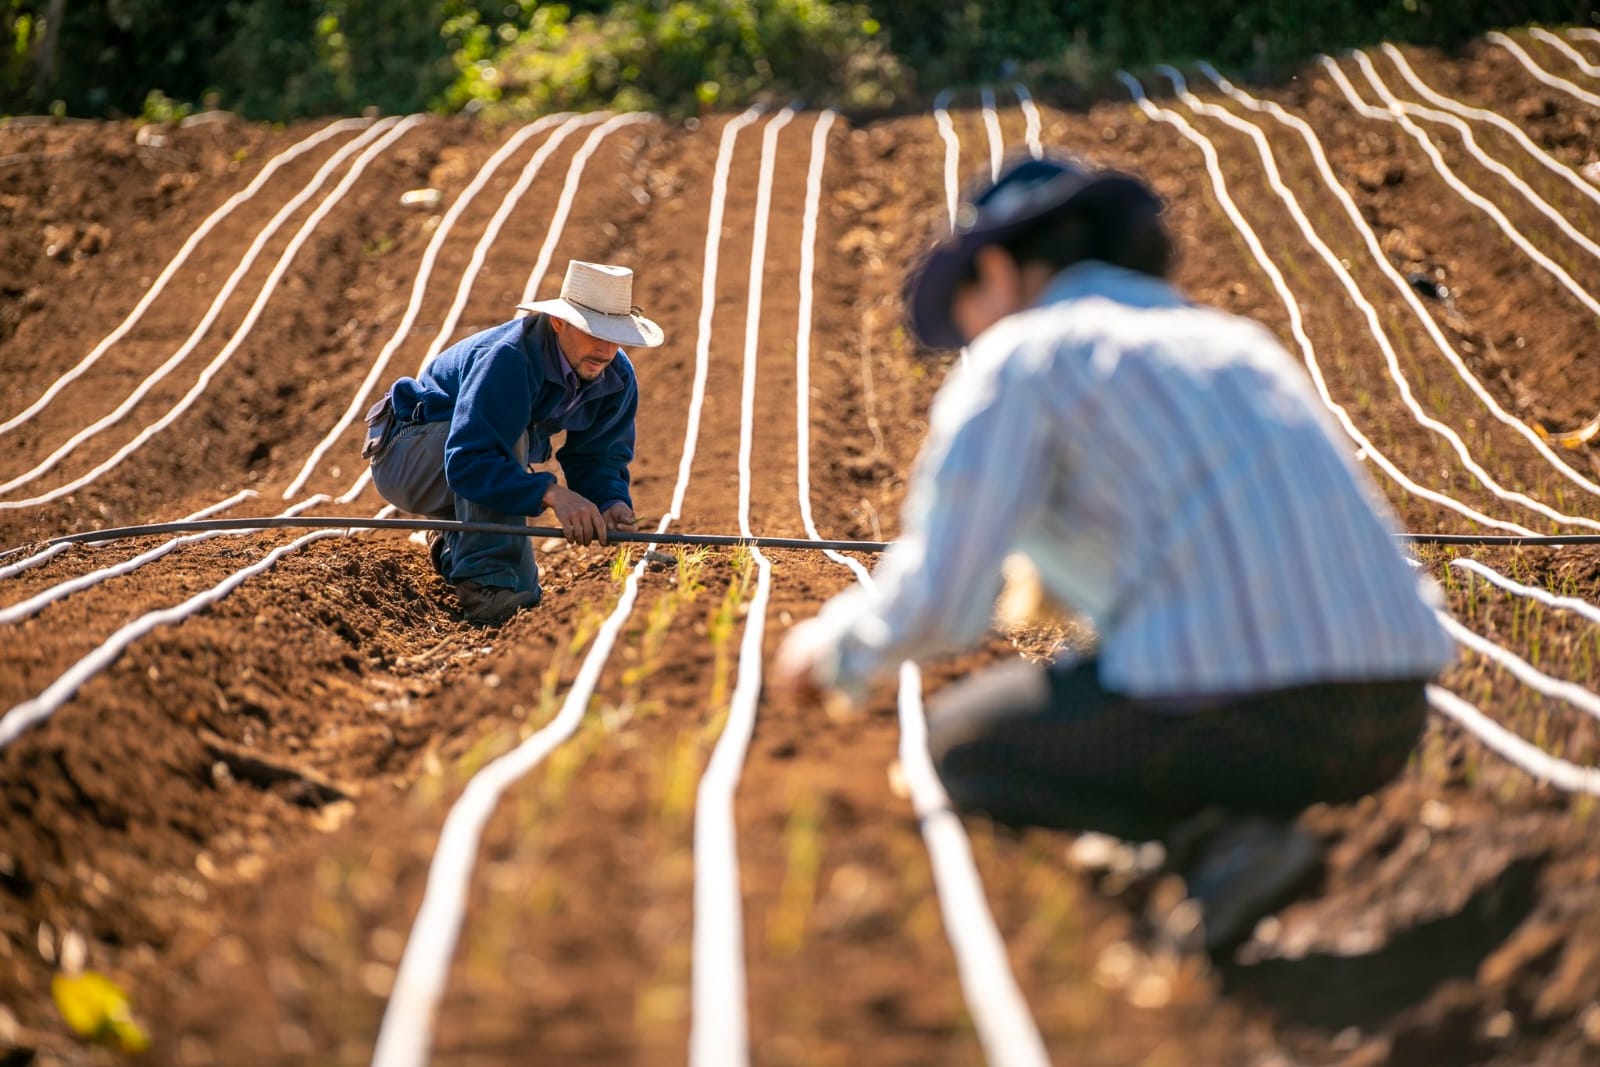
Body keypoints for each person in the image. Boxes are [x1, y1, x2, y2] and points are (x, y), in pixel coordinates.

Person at [773, 155, 1456, 954]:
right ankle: (1221, 829)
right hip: (1393, 709)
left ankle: (1214, 839)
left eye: (967, 305)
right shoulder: (1231, 343)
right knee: (1118, 689)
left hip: (1252, 718)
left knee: (962, 742)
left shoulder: (1024, 357)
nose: (970, 335)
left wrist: (833, 650)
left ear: (996, 268)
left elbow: (946, 597)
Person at [364, 260, 663, 625]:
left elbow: (598, 454)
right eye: (594, 333)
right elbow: (471, 460)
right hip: (408, 457)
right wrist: (553, 494)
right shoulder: (509, 357)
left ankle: (455, 544)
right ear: (559, 323)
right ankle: (483, 586)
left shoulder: (613, 373)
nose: (606, 348)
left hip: (469, 460)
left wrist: (609, 500)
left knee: (525, 592)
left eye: (615, 336)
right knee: (503, 584)